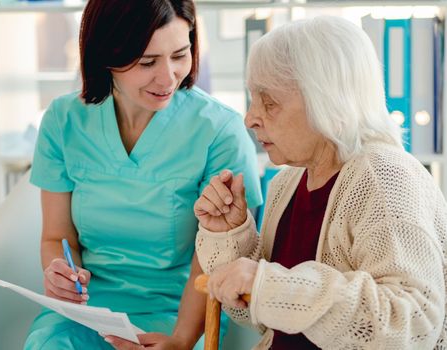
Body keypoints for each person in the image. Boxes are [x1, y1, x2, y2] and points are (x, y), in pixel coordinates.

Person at [194, 16, 447, 350]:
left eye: (269, 102)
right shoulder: (288, 182)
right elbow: (261, 316)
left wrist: (269, 285)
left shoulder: (386, 177)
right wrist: (233, 233)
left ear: (328, 100)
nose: (250, 118)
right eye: (253, 99)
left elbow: (411, 322)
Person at [24, 0, 263, 349]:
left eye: (180, 55)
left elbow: (220, 255)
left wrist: (180, 340)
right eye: (147, 62)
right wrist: (60, 272)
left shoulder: (219, 131)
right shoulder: (63, 120)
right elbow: (56, 236)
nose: (168, 78)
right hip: (86, 309)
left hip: (181, 311)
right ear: (106, 54)